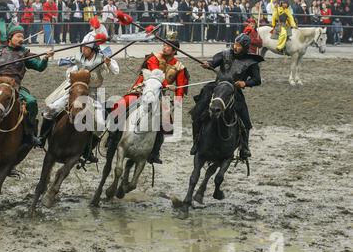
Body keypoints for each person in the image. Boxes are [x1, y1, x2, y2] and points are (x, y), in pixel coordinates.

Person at [0, 25, 55, 152]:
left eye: (22, 37)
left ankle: (30, 135)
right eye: (18, 36)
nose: (21, 39)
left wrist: (46, 58)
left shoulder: (25, 53)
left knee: (31, 102)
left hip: (14, 87)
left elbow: (39, 67)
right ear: (10, 38)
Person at [40, 30, 120, 162]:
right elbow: (69, 72)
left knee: (100, 124)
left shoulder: (102, 58)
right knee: (50, 109)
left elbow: (116, 71)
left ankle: (87, 151)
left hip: (92, 94)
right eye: (82, 47)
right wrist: (77, 76)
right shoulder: (78, 57)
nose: (83, 49)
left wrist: (108, 62)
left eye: (86, 47)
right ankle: (42, 138)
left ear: (93, 48)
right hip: (74, 90)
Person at [110, 32, 189, 164]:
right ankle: (112, 136)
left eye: (168, 46)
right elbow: (154, 74)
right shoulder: (153, 58)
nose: (164, 47)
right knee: (120, 105)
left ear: (174, 50)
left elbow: (181, 86)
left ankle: (154, 152)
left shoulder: (180, 67)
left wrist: (178, 100)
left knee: (167, 124)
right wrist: (166, 85)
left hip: (160, 95)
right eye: (164, 44)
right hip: (142, 89)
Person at [191, 34, 263, 159]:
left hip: (234, 91)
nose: (235, 47)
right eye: (235, 43)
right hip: (217, 87)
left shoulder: (251, 61)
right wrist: (209, 64)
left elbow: (257, 80)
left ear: (245, 48)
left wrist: (244, 83)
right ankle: (196, 142)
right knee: (198, 112)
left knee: (245, 120)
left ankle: (244, 147)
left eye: (239, 46)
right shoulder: (225, 54)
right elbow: (214, 62)